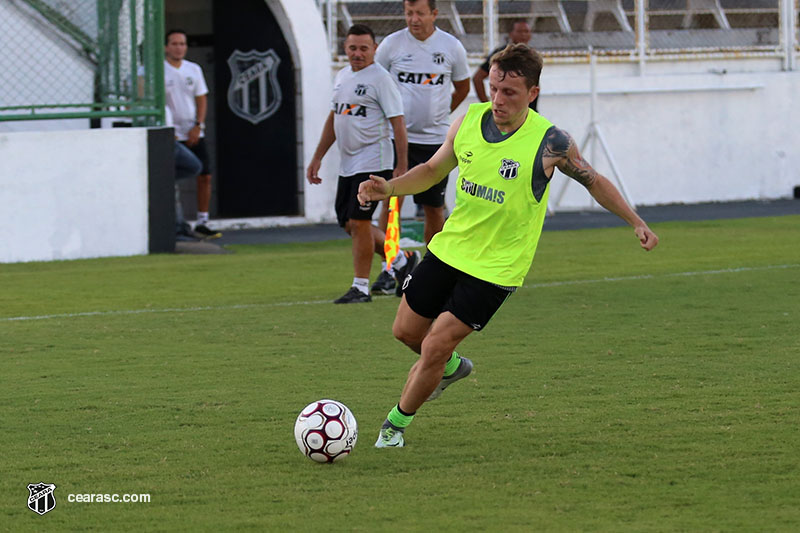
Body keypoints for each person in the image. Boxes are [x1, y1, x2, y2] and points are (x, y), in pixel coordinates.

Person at [358, 44, 659, 448]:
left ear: (532, 93)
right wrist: (390, 188)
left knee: (434, 344)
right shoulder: (469, 120)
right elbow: (432, 170)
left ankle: (393, 427)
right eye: (495, 87)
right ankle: (449, 369)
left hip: (497, 267)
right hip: (450, 249)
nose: (498, 99)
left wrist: (635, 221)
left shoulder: (550, 141)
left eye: (510, 92)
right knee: (406, 332)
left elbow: (594, 181)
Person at [306, 24, 419, 304]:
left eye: (364, 48)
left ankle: (361, 287)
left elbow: (398, 122)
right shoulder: (342, 76)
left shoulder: (380, 79)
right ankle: (403, 260)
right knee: (349, 223)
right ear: (345, 48)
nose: (358, 53)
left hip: (373, 161)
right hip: (348, 163)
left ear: (374, 49)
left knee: (359, 221)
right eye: (353, 48)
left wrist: (401, 164)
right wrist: (318, 156)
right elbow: (335, 119)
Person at [372, 0, 471, 296]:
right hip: (399, 139)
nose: (413, 19)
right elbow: (377, 82)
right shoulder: (391, 45)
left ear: (434, 14)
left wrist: (440, 116)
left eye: (419, 13)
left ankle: (433, 272)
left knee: (433, 209)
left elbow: (463, 87)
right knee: (392, 204)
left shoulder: (451, 47)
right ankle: (390, 268)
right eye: (408, 13)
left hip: (436, 142)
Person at [164, 29, 220, 239]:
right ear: (166, 47)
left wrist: (198, 124)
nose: (179, 48)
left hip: (193, 130)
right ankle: (176, 222)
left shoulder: (193, 69)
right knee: (175, 175)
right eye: (175, 44)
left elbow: (201, 98)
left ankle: (202, 221)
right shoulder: (160, 71)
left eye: (183, 44)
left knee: (204, 174)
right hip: (173, 134)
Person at [473, 20, 537, 111]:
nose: (523, 35)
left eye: (526, 31)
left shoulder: (531, 55)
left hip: (529, 113)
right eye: (519, 31)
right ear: (511, 34)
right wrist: (487, 105)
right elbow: (477, 78)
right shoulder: (503, 54)